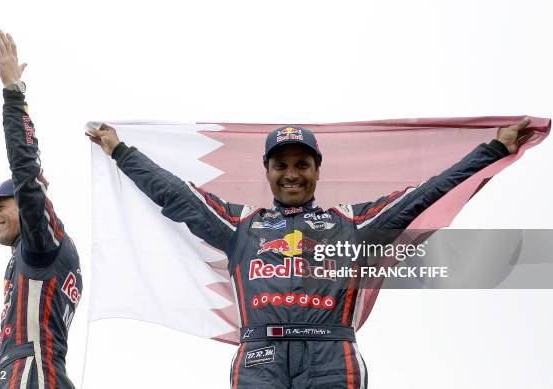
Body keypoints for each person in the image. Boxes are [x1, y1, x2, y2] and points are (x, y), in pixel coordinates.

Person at [87, 118, 530, 388]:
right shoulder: (243, 225)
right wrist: (121, 152)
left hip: (332, 358)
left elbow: (427, 193)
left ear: (318, 170)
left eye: (302, 165)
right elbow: (177, 195)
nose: (292, 175)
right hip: (260, 358)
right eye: (282, 165)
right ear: (267, 171)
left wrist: (491, 150)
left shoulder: (352, 223)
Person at [0, 30, 82, 389]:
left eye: (0, 206)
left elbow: (26, 170)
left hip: (33, 374)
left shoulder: (42, 243)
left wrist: (12, 93)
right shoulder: (29, 251)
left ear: (25, 201)